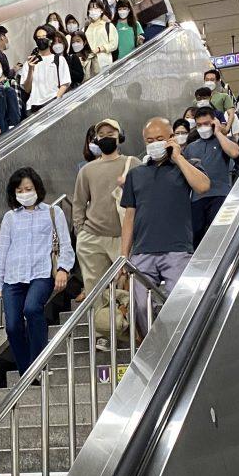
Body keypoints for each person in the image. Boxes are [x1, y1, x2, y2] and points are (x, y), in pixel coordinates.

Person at [120, 118, 210, 334]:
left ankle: (177, 347)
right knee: (140, 306)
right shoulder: (136, 174)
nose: (154, 143)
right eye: (149, 140)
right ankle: (154, 348)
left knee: (179, 305)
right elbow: (129, 216)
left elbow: (203, 186)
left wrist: (178, 158)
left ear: (171, 138)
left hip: (177, 249)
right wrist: (124, 256)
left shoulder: (187, 165)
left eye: (160, 139)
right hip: (142, 251)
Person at [0, 167, 74, 375]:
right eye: (19, 190)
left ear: (37, 188)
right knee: (12, 326)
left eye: (28, 188)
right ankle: (26, 372)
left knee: (32, 309)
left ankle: (39, 365)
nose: (24, 193)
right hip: (13, 277)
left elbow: (66, 243)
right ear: (14, 193)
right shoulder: (10, 218)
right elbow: (2, 251)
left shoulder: (54, 212)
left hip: (42, 273)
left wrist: (63, 268)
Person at [72, 119, 140, 336]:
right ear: (96, 139)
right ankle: (105, 333)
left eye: (111, 132)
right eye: (101, 134)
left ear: (120, 136)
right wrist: (81, 231)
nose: (106, 137)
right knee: (96, 292)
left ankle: (134, 330)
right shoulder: (87, 170)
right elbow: (79, 203)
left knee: (131, 285)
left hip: (125, 236)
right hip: (92, 238)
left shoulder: (134, 164)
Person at [183, 107, 239, 247]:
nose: (203, 127)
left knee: (220, 234)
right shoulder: (190, 148)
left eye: (206, 123)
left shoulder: (223, 142)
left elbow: (235, 153)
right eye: (199, 125)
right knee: (196, 235)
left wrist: (219, 132)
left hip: (220, 195)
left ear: (214, 122)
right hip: (197, 199)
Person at [20, 24, 71, 114]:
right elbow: (27, 89)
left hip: (52, 102)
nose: (41, 40)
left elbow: (65, 83)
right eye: (38, 38)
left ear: (50, 40)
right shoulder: (28, 63)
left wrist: (56, 100)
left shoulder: (59, 59)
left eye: (44, 37)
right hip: (33, 106)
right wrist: (31, 68)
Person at [84, 0, 119, 70]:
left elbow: (114, 44)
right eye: (91, 8)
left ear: (102, 10)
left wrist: (100, 49)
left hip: (104, 62)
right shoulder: (86, 29)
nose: (93, 11)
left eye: (96, 8)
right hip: (90, 64)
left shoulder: (108, 26)